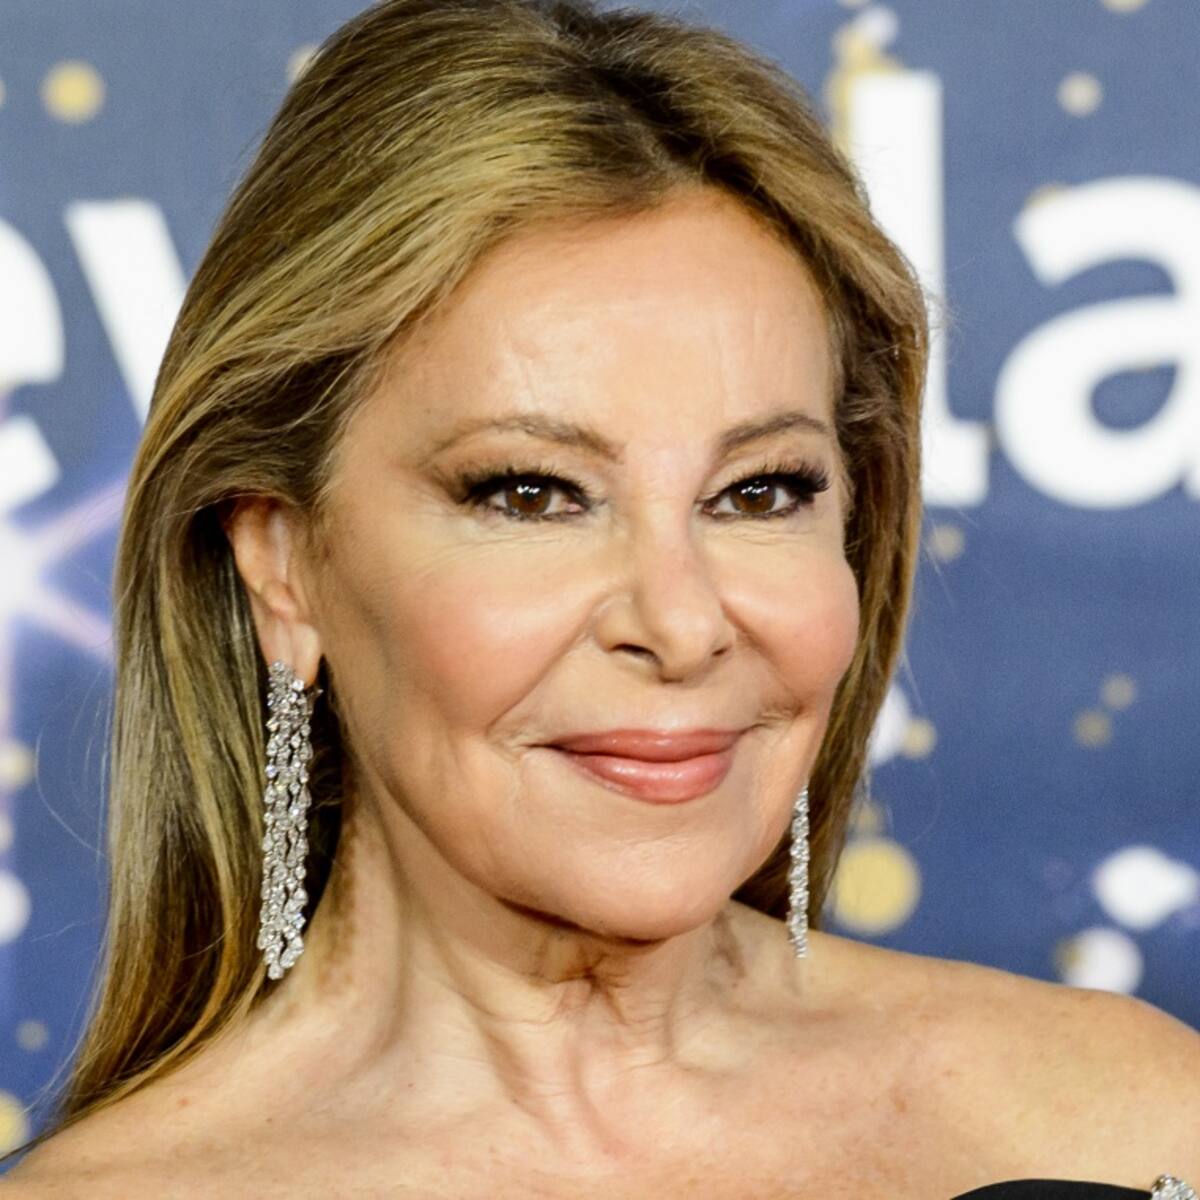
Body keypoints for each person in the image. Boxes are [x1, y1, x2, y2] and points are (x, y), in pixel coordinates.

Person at [4, 1, 1198, 1195]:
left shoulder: (1128, 1119)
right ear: (283, 566)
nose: (680, 624)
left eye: (759, 492)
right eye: (531, 494)